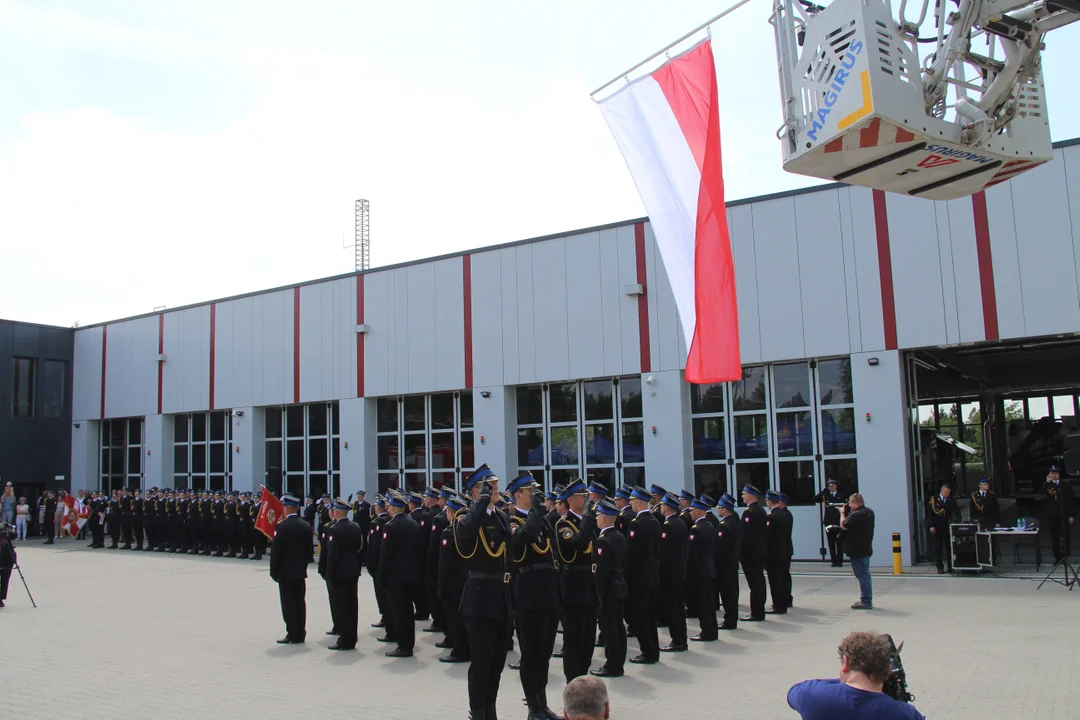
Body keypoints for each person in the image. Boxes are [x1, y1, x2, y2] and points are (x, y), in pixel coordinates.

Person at [455, 464, 512, 720]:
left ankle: (491, 708)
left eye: (496, 486)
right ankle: (478, 713)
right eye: (491, 486)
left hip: (501, 597)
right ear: (478, 491)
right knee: (481, 662)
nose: (497, 490)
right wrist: (482, 501)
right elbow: (467, 530)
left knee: (497, 661)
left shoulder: (499, 516)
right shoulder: (464, 516)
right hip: (479, 598)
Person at [507, 472, 561, 720]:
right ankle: (533, 707)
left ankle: (543, 704)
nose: (536, 495)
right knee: (531, 652)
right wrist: (538, 511)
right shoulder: (512, 519)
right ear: (518, 495)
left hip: (548, 589)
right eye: (531, 491)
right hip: (528, 591)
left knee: (545, 652)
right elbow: (523, 538)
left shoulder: (541, 518)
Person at [787, 631, 925, 719]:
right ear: (887, 670)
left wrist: (844, 681)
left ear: (845, 662)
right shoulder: (906, 714)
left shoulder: (811, 694)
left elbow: (792, 694)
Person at [555, 479, 599, 682]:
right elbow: (579, 545)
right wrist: (589, 517)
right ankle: (573, 682)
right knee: (574, 639)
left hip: (589, 585)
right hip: (573, 586)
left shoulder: (587, 522)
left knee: (589, 639)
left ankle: (584, 678)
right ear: (571, 500)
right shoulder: (564, 524)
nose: (588, 500)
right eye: (583, 497)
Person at [378, 492, 421, 658]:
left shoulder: (390, 526)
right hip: (411, 575)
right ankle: (408, 643)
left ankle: (403, 646)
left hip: (396, 577)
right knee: (408, 611)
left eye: (389, 506)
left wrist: (382, 577)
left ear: (394, 508)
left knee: (399, 612)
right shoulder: (413, 524)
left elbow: (385, 555)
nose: (387, 509)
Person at [269, 493, 314, 644]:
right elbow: (309, 551)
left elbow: (276, 552)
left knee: (288, 604)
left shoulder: (282, 526)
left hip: (286, 572)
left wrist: (274, 572)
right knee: (300, 603)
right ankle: (300, 632)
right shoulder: (305, 525)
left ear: (287, 509)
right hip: (300, 571)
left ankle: (292, 633)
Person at [591, 500, 627, 678]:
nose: (596, 518)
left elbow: (601, 572)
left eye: (598, 515)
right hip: (620, 587)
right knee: (619, 627)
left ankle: (612, 664)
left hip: (609, 591)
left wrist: (597, 594)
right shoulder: (619, 536)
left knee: (610, 628)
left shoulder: (603, 541)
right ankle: (618, 662)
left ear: (604, 518)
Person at [625, 486, 660, 664]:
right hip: (652, 573)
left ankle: (647, 651)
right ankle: (653, 650)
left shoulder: (636, 524)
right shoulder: (654, 521)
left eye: (632, 500)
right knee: (650, 615)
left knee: (641, 616)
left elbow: (632, 554)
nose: (630, 503)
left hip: (639, 577)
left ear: (639, 502)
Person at [437, 494, 472, 664]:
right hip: (468, 580)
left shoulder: (449, 532)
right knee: (466, 618)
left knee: (455, 618)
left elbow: (445, 563)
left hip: (453, 583)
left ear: (452, 513)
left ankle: (459, 651)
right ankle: (468, 648)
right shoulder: (469, 531)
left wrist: (440, 586)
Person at [325, 497, 363, 651]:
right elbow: (360, 548)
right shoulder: (355, 526)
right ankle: (351, 637)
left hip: (340, 571)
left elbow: (333, 555)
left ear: (338, 512)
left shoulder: (335, 529)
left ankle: (344, 639)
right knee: (352, 606)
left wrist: (330, 575)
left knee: (343, 607)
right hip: (352, 569)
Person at [657, 492, 688, 653]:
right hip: (679, 572)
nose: (660, 507)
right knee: (678, 608)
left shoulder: (668, 525)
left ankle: (678, 640)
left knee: (673, 609)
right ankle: (681, 639)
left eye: (662, 505)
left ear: (667, 507)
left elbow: (665, 553)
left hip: (671, 574)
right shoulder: (681, 522)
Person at [686, 498, 717, 641]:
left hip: (700, 571)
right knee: (709, 603)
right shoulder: (710, 526)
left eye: (691, 511)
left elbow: (692, 554)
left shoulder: (696, 529)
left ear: (698, 511)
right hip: (709, 569)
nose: (690, 514)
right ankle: (712, 630)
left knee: (703, 603)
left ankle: (706, 632)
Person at [739, 484, 769, 622]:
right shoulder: (761, 510)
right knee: (759, 582)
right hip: (759, 552)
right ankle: (759, 611)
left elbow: (746, 535)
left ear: (750, 496)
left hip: (751, 554)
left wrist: (740, 552)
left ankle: (756, 613)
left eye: (744, 494)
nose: (742, 496)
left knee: (755, 583)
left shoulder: (749, 512)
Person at [840, 493, 875, 610]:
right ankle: (866, 598)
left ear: (855, 503)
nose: (849, 505)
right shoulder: (869, 512)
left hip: (857, 549)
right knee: (865, 574)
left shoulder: (856, 515)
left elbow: (843, 525)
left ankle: (866, 600)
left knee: (862, 575)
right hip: (866, 547)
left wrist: (842, 513)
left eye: (850, 503)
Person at [714, 493, 741, 630]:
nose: (717, 509)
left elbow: (720, 548)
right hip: (730, 562)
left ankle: (729, 621)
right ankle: (731, 619)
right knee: (731, 593)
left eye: (719, 507)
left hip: (725, 564)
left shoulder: (724, 525)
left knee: (727, 594)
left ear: (725, 509)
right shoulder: (732, 521)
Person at [766, 491, 794, 614]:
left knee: (776, 579)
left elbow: (768, 536)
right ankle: (785, 600)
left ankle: (778, 604)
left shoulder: (773, 516)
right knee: (783, 576)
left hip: (775, 552)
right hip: (785, 549)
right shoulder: (786, 514)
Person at [1041, 465, 1076, 562]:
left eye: (1056, 473)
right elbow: (1042, 494)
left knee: (1065, 536)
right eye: (1052, 473)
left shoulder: (1065, 485)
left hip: (1064, 514)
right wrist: (1046, 483)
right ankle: (1057, 557)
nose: (1054, 475)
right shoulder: (1048, 485)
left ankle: (1065, 556)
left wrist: (1072, 515)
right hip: (1053, 515)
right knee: (1054, 537)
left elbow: (1071, 501)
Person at [925, 484, 959, 573]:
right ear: (942, 491)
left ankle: (951, 566)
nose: (947, 494)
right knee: (938, 548)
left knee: (949, 547)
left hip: (947, 527)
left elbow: (956, 511)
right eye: (946, 492)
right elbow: (929, 515)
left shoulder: (951, 500)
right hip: (937, 527)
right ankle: (939, 567)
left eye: (949, 493)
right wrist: (931, 526)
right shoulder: (934, 500)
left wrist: (958, 521)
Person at [815, 479, 847, 566]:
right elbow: (816, 499)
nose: (830, 487)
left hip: (838, 521)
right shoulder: (826, 495)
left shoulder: (841, 495)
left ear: (836, 486)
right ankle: (833, 561)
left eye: (832, 485)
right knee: (831, 542)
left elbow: (845, 507)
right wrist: (823, 492)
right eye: (829, 486)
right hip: (829, 521)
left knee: (839, 541)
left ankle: (840, 561)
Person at [1, 522, 15, 608]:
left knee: (5, 580)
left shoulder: (5, 526)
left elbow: (14, 536)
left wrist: (10, 530)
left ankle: (1, 598)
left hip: (7, 557)